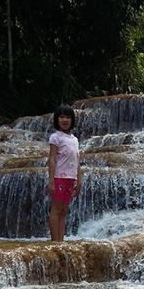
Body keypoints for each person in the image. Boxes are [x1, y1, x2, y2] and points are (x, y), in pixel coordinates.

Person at [47, 104, 81, 242]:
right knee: (56, 209)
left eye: (68, 117)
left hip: (70, 179)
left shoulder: (75, 139)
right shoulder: (56, 137)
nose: (65, 120)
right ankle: (55, 241)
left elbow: (77, 161)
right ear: (57, 119)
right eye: (61, 117)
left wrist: (79, 180)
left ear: (72, 120)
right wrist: (51, 181)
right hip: (59, 178)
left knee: (64, 211)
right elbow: (52, 159)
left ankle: (61, 240)